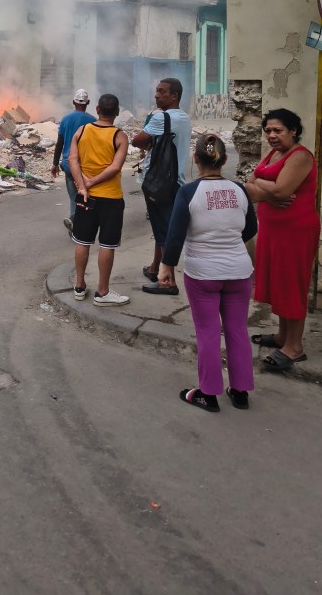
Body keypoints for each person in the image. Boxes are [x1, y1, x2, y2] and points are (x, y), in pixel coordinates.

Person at [157, 134, 257, 413]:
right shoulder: (239, 190)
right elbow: (250, 229)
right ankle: (240, 393)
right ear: (224, 160)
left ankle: (208, 393)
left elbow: (175, 234)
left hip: (203, 274)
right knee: (237, 330)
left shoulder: (189, 192)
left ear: (196, 160)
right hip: (239, 272)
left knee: (208, 332)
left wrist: (166, 266)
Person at [245, 108, 320, 372]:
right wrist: (266, 189)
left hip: (295, 232)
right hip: (274, 230)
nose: (272, 135)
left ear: (293, 131)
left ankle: (295, 347)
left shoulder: (300, 156)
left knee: (292, 284)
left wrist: (263, 186)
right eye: (268, 130)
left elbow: (281, 189)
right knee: (279, 282)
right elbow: (250, 185)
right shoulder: (274, 154)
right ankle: (281, 337)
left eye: (278, 130)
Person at [130, 77, 192, 295]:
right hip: (176, 180)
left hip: (160, 183)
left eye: (161, 91)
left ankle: (168, 281)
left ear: (174, 96)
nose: (156, 95)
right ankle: (155, 268)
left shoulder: (162, 118)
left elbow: (136, 141)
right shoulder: (184, 117)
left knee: (164, 231)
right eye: (156, 91)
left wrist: (150, 145)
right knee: (161, 228)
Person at [68, 93, 130, 306]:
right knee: (107, 244)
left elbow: (72, 159)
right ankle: (103, 292)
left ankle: (79, 285)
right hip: (111, 198)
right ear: (117, 112)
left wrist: (83, 185)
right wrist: (92, 183)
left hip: (85, 196)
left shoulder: (82, 131)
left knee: (82, 241)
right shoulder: (120, 136)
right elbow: (115, 168)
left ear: (97, 110)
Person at [51, 88, 96, 236]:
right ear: (88, 103)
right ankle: (78, 225)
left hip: (68, 165)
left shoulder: (65, 119)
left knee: (73, 198)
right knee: (85, 196)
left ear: (73, 102)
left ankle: (74, 225)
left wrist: (55, 163)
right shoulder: (93, 121)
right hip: (85, 167)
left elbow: (60, 143)